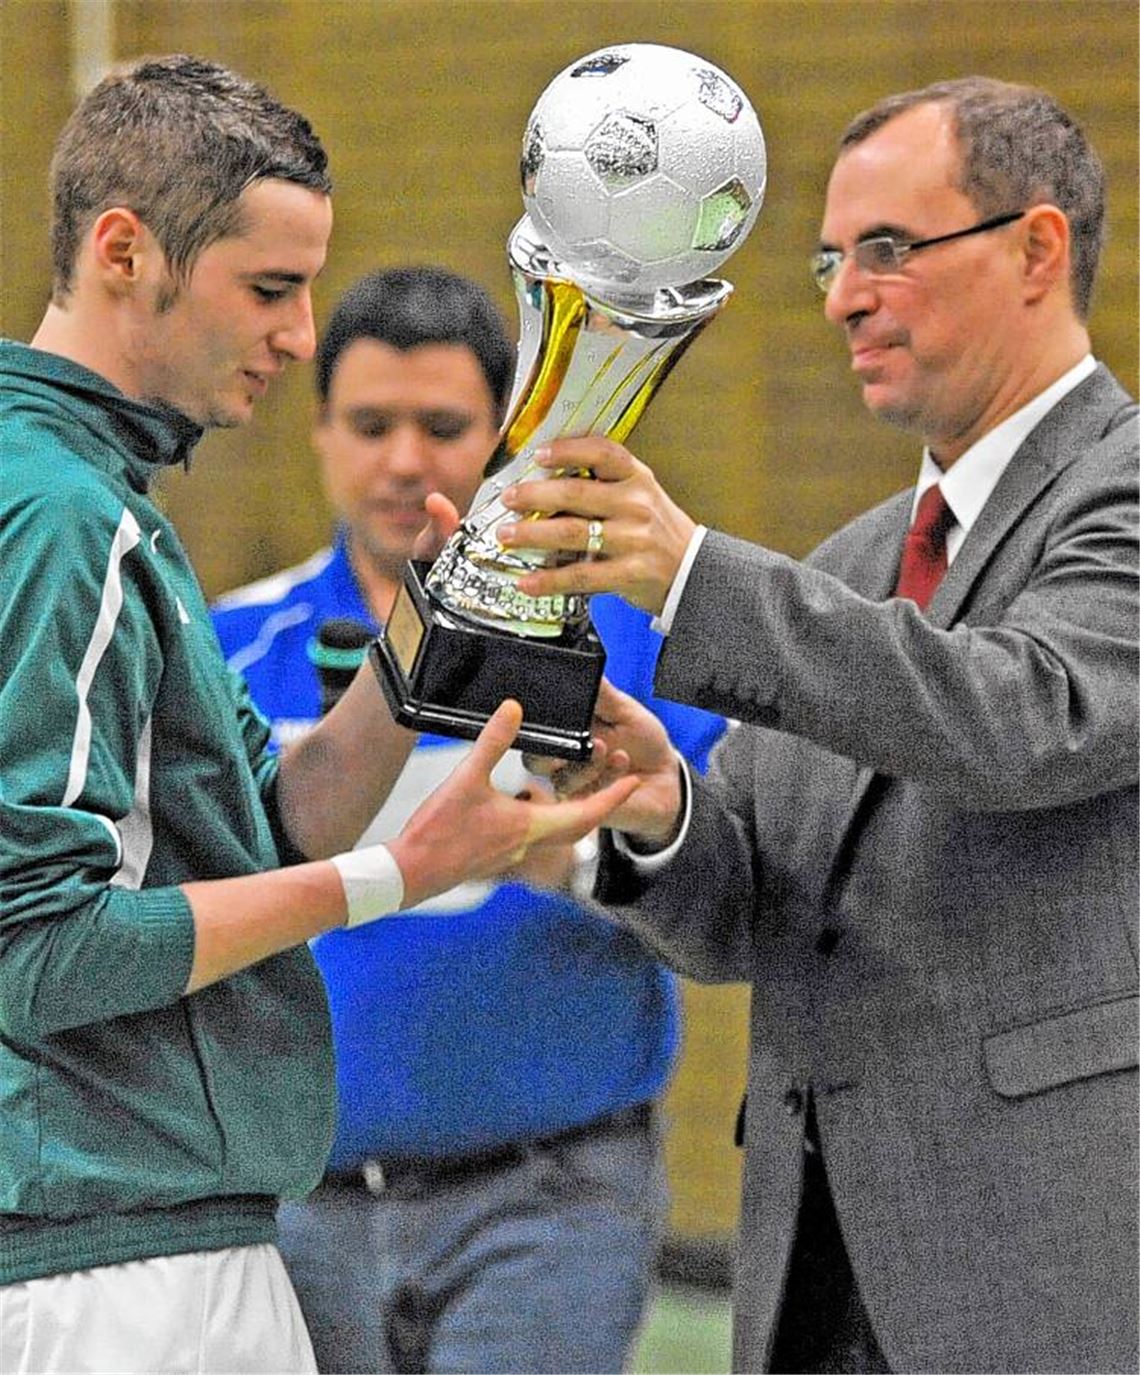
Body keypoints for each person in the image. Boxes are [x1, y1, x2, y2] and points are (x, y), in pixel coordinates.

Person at [491, 77, 1140, 1374]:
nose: (845, 295)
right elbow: (742, 911)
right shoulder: (846, 568)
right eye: (832, 258)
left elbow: (1022, 717)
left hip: (1051, 1264)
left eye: (891, 250)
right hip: (814, 1275)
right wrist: (658, 806)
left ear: (1037, 248)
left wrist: (687, 575)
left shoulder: (1119, 493)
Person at [0, 58, 633, 1375]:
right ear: (124, 252)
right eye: (271, 288)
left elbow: (265, 821)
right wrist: (394, 874)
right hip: (111, 1263)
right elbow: (38, 944)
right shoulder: (66, 518)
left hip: (147, 1240)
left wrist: (431, 624)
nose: (298, 336)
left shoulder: (93, 496)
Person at [211, 265, 726, 1375]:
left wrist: (579, 855)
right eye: (371, 424)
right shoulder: (229, 648)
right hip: (298, 1205)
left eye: (442, 426)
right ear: (319, 433)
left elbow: (729, 890)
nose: (405, 461)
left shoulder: (631, 646)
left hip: (549, 1197)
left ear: (503, 433)